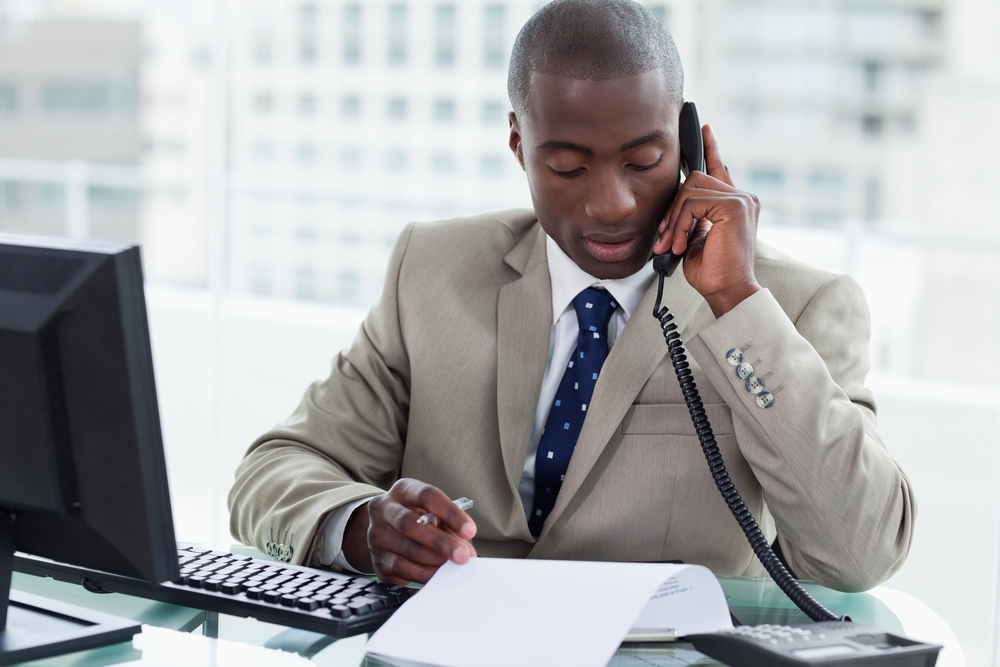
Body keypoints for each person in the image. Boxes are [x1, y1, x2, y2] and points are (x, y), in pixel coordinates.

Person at [228, 0, 915, 593]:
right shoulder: (430, 270)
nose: (611, 204)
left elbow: (860, 555)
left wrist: (735, 300)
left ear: (687, 143)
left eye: (644, 161)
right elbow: (273, 469)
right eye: (566, 165)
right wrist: (357, 525)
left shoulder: (790, 306)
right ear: (518, 143)